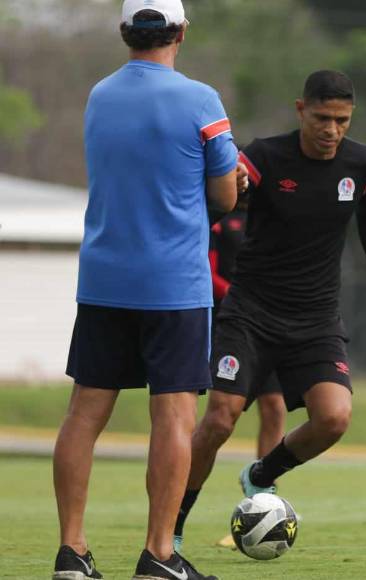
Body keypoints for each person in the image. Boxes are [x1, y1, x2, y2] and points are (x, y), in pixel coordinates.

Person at [172, 70, 366, 551]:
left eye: (342, 120)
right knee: (219, 420)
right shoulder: (264, 157)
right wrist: (233, 184)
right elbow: (219, 201)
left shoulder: (362, 163)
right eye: (322, 118)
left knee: (334, 418)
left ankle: (261, 474)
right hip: (251, 314)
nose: (331, 130)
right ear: (301, 110)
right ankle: (169, 531)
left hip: (316, 319)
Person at [53, 1, 236, 579]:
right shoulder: (202, 100)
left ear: (125, 32)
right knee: (174, 418)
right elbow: (226, 195)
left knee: (84, 414)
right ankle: (159, 554)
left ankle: (71, 551)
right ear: (181, 32)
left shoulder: (99, 95)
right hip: (174, 284)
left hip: (104, 277)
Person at [206, 207, 287, 550]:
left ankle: (262, 504)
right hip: (233, 326)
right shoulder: (219, 221)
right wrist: (243, 298)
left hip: (268, 324)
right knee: (221, 419)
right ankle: (177, 509)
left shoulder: (269, 213)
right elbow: (208, 272)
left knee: (275, 407)